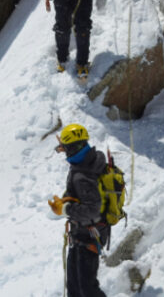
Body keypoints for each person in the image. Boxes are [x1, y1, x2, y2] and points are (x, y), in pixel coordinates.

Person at [48, 123, 109, 297]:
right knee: (75, 284)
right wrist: (67, 199)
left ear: (74, 148)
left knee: (87, 288)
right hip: (83, 233)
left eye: (66, 148)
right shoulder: (88, 161)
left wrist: (65, 209)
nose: (64, 152)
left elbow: (92, 209)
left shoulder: (83, 174)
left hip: (89, 234)